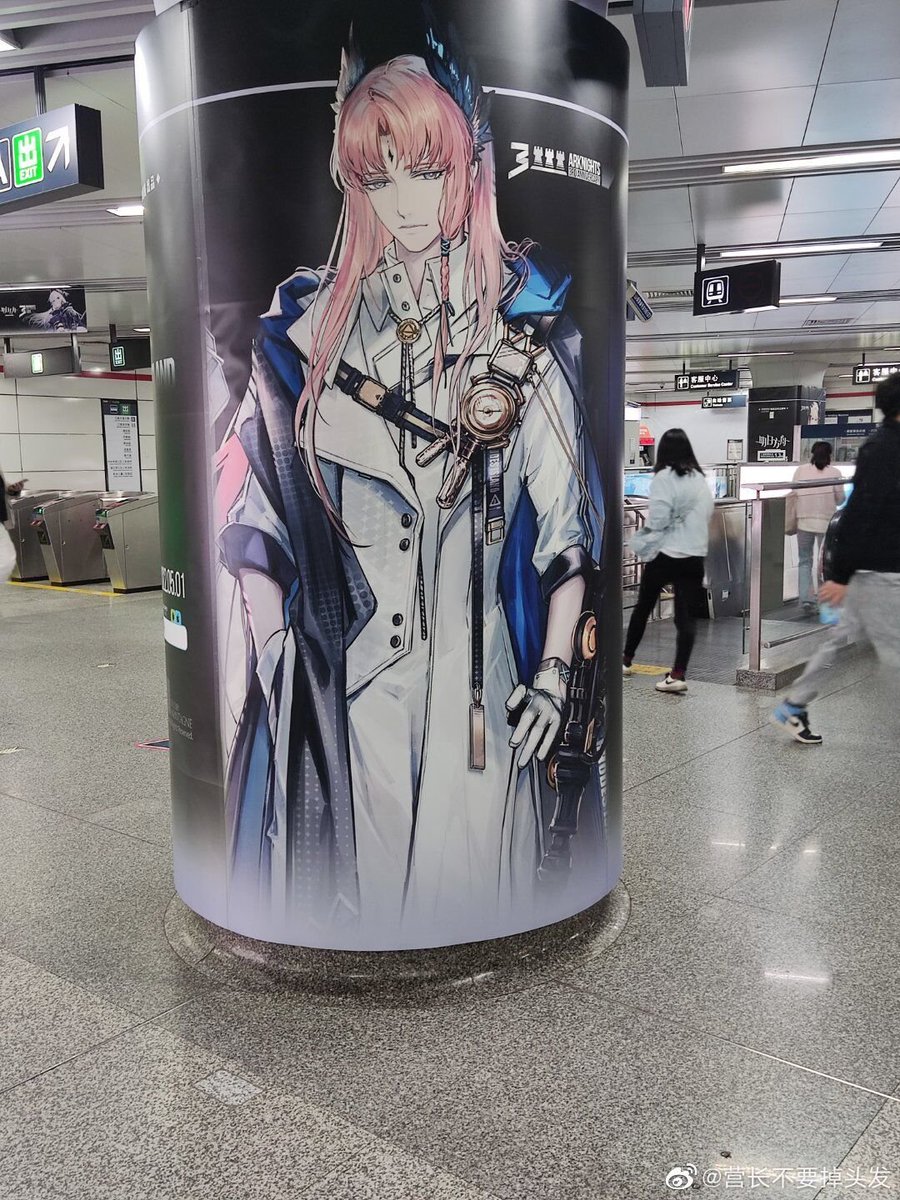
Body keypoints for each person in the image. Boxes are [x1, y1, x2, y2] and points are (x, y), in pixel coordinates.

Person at [214, 39, 605, 944]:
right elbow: (255, 520)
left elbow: (567, 539)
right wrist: (278, 651)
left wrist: (552, 675)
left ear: (468, 168)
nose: (406, 202)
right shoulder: (308, 338)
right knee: (366, 896)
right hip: (357, 689)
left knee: (469, 896)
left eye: (426, 171)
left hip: (482, 689)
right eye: (379, 178)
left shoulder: (521, 333)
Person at [772, 371, 900, 745]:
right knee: (891, 649)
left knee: (842, 636)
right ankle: (794, 704)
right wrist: (840, 575)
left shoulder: (883, 447)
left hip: (870, 564)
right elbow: (858, 511)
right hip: (879, 570)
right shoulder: (882, 449)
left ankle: (794, 704)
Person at [623, 428, 714, 695]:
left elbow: (659, 518)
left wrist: (646, 537)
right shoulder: (699, 478)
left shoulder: (663, 477)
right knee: (686, 617)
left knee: (643, 607)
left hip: (666, 554)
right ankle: (678, 675)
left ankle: (625, 660)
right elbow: (707, 511)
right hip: (694, 554)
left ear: (662, 451)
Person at [787, 441, 845, 614]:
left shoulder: (801, 470)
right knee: (824, 564)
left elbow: (794, 492)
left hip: (804, 521)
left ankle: (806, 599)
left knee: (804, 560)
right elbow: (840, 500)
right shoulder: (835, 473)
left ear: (811, 453)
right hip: (826, 524)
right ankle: (824, 601)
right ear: (830, 455)